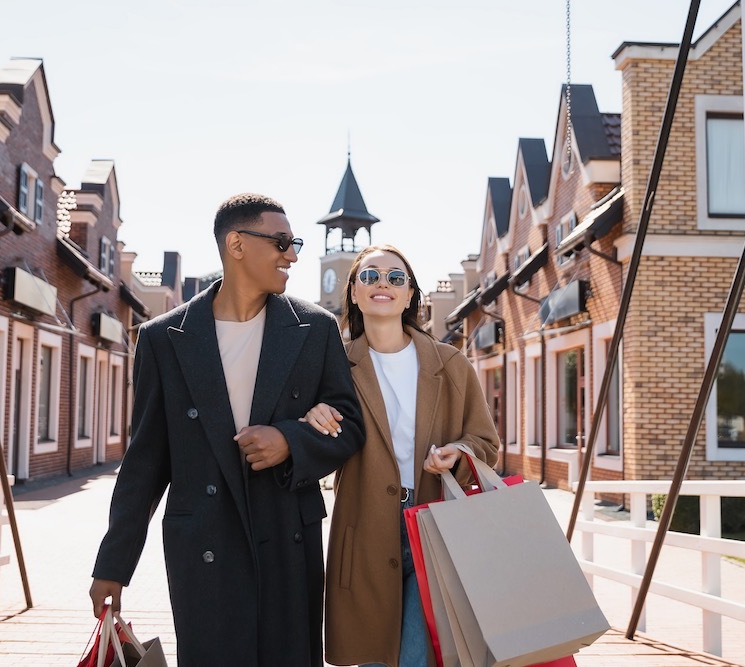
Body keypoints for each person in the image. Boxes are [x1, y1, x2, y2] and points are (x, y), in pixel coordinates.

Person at [90, 193, 364, 667]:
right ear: (236, 244)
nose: (292, 255)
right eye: (280, 242)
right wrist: (114, 564)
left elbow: (350, 423)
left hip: (286, 539)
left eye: (294, 243)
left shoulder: (315, 328)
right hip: (204, 544)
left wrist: (290, 442)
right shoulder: (163, 338)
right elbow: (146, 460)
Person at [302, 244, 500, 667]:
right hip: (365, 533)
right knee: (373, 654)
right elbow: (316, 447)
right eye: (370, 276)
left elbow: (486, 443)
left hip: (435, 526)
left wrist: (458, 453)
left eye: (396, 278)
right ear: (353, 292)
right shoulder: (332, 365)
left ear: (411, 295)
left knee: (416, 656)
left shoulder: (450, 364)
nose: (383, 285)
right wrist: (312, 417)